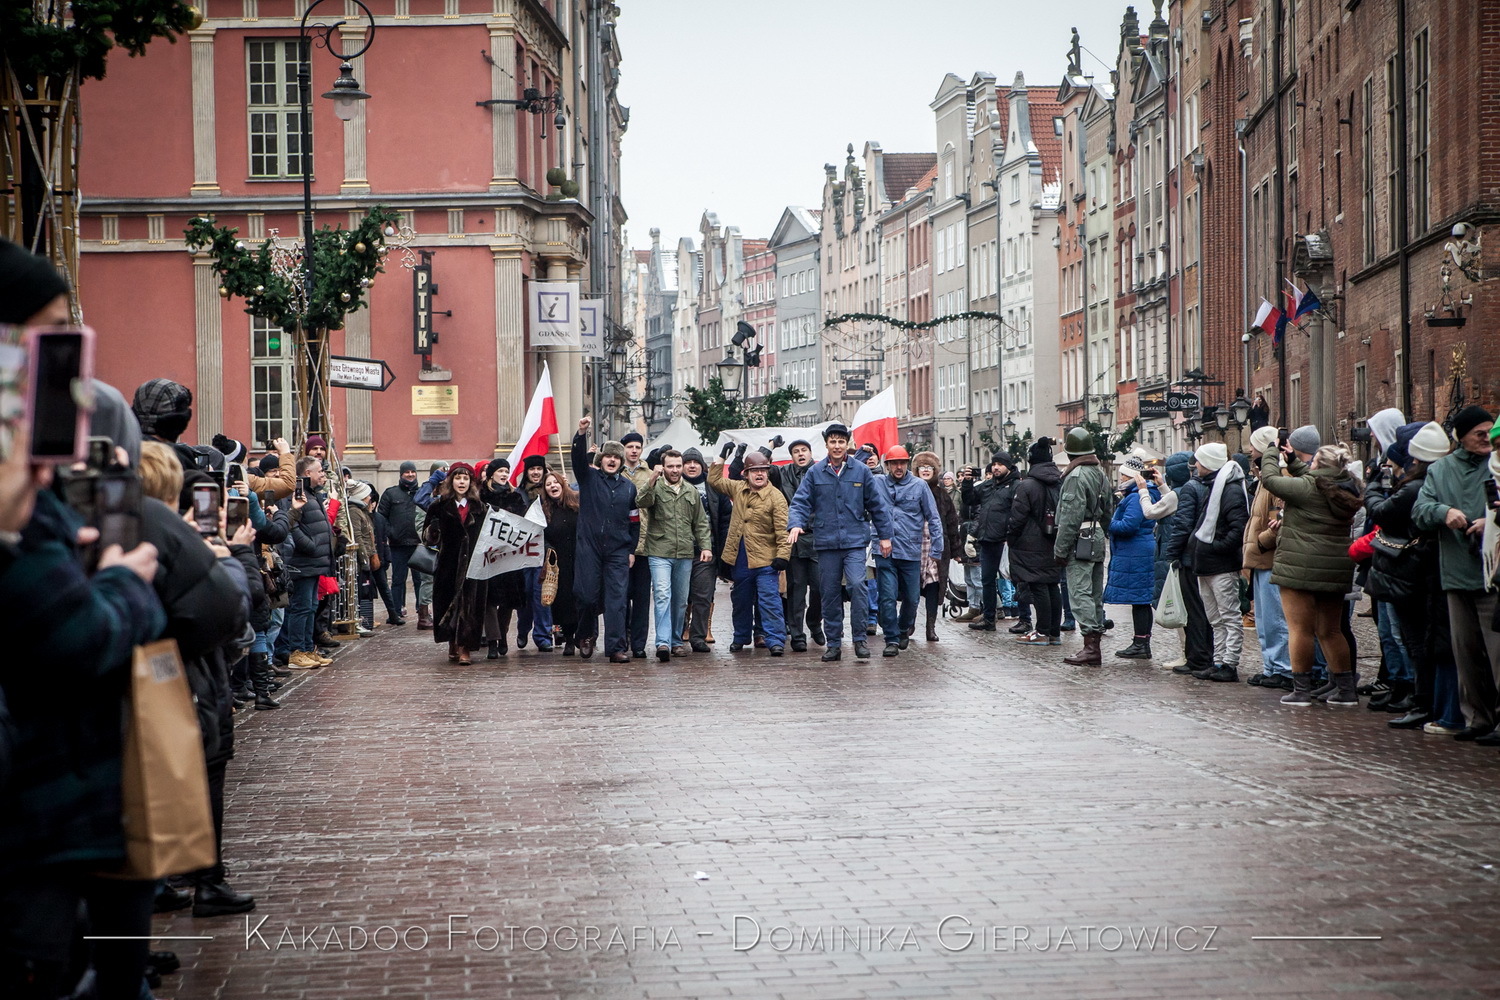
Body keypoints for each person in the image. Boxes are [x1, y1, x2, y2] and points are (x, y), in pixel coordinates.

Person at [1367, 421, 1462, 731]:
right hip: (1423, 569)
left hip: (1413, 570)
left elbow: (1380, 512)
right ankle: (1427, 701)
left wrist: (1372, 487)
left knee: (1416, 640)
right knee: (1420, 639)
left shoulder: (1413, 487)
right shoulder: (1432, 482)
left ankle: (1424, 702)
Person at [1412, 406, 1500, 740]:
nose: (1486, 440)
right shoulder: (1441, 470)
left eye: (1490, 433)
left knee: (1497, 653)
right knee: (1466, 653)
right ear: (1461, 437)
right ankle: (1477, 717)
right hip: (1455, 572)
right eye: (1479, 433)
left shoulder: (1497, 467)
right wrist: (1443, 511)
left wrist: (1489, 523)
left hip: (1491, 573)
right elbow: (1420, 510)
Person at [1260, 426, 1365, 706]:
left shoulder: (1308, 488)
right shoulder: (1345, 487)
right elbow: (1312, 479)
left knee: (1300, 630)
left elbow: (1270, 479)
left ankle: (1301, 691)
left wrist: (1271, 450)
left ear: (1318, 464)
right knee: (1331, 630)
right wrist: (1293, 459)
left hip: (1301, 567)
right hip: (1335, 568)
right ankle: (1346, 691)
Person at [788, 422, 894, 661]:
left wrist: (885, 536)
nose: (837, 446)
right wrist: (796, 523)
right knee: (829, 592)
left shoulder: (861, 471)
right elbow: (801, 502)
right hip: (826, 543)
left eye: (841, 442)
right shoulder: (815, 472)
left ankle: (859, 640)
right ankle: (834, 643)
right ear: (826, 445)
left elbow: (877, 506)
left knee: (857, 585)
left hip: (855, 540)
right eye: (832, 442)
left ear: (847, 444)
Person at [572, 417, 640, 662]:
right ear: (601, 460)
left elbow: (635, 521)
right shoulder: (588, 479)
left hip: (618, 551)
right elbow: (578, 459)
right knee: (588, 596)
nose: (612, 460)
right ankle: (586, 634)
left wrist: (631, 549)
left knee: (617, 601)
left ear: (621, 462)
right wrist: (582, 433)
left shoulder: (629, 488)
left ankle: (616, 648)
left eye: (616, 458)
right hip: (589, 547)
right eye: (608, 457)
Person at [710, 449, 790, 655]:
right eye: (754, 471)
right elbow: (714, 480)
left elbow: (783, 530)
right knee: (741, 600)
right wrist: (722, 457)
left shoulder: (776, 497)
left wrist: (783, 555)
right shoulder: (738, 488)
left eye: (763, 470)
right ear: (746, 474)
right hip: (740, 557)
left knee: (769, 600)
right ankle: (741, 637)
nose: (759, 474)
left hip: (766, 559)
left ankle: (775, 640)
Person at [635, 449, 711, 661]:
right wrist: (651, 479)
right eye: (671, 466)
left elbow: (701, 523)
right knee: (662, 595)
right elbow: (640, 501)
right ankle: (662, 643)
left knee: (679, 600)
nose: (675, 470)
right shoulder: (656, 487)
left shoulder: (690, 490)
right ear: (663, 467)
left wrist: (706, 547)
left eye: (678, 466)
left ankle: (676, 641)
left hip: (685, 552)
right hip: (659, 551)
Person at [1183, 443, 1250, 682]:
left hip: (1220, 564)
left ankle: (1229, 664)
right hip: (1206, 564)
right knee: (1215, 618)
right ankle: (1218, 661)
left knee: (1229, 616)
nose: (1195, 466)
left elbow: (1238, 527)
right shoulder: (1214, 486)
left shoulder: (1229, 490)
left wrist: (1215, 548)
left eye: (1199, 462)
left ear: (1209, 463)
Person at [870, 446, 943, 656]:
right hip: (884, 550)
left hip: (911, 550)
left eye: (902, 462)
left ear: (907, 463)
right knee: (887, 596)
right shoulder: (878, 483)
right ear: (888, 465)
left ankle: (903, 629)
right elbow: (858, 473)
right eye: (894, 463)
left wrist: (937, 549)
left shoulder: (919, 486)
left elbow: (934, 517)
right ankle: (891, 639)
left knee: (912, 598)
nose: (899, 467)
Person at [1053, 427, 1112, 666]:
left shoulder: (1076, 477)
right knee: (1095, 593)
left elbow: (1070, 517)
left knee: (1079, 593)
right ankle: (1093, 645)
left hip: (1080, 538)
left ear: (1069, 453)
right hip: (1096, 535)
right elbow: (1108, 509)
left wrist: (1060, 549)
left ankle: (1091, 647)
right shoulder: (1100, 473)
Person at [1242, 425, 1295, 690]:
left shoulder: (1278, 476)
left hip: (1270, 557)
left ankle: (1283, 668)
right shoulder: (1263, 477)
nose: (1250, 450)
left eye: (1253, 445)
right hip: (1260, 558)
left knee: (1275, 618)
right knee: (1263, 619)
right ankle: (1271, 666)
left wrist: (1262, 542)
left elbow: (1279, 515)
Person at [424, 461, 486, 664]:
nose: (462, 482)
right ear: (451, 481)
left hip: (473, 565)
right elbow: (427, 538)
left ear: (471, 482)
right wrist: (433, 530)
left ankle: (465, 647)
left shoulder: (480, 507)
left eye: (465, 478)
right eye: (458, 478)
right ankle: (452, 640)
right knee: (449, 603)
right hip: (448, 564)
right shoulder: (439, 506)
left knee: (470, 607)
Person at [1160, 450, 1215, 675]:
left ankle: (1198, 658)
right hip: (1204, 554)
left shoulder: (1191, 489)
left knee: (1194, 610)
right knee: (1206, 609)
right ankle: (1205, 656)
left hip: (1188, 557)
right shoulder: (1212, 486)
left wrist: (1172, 554)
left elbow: (1182, 526)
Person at [1103, 455, 1161, 660]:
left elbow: (1129, 525)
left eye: (1123, 475)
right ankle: (1140, 641)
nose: (1120, 480)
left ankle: (1141, 643)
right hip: (1138, 551)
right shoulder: (1136, 495)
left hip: (1137, 552)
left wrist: (1108, 524)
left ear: (1131, 477)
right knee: (1140, 600)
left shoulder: (1136, 497)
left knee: (1141, 600)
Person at [279, 456, 334, 669]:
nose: (323, 474)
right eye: (319, 470)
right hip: (303, 561)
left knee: (311, 606)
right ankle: (296, 652)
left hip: (314, 561)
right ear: (307, 474)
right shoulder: (298, 495)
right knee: (301, 608)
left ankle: (307, 648)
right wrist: (308, 545)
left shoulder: (313, 494)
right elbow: (291, 524)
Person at [1009, 438, 1065, 646]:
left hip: (1030, 543)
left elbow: (1017, 517)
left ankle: (1041, 631)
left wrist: (1011, 538)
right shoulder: (1059, 482)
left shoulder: (1028, 486)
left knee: (1039, 586)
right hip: (1054, 541)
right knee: (1052, 585)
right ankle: (1054, 632)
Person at [961, 450, 1020, 632]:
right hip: (988, 540)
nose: (995, 467)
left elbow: (1018, 512)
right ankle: (989, 618)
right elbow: (969, 499)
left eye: (1000, 464)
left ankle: (1024, 617)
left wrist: (1010, 533)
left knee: (1017, 579)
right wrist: (967, 482)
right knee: (987, 580)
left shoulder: (1016, 486)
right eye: (994, 464)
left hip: (1007, 541)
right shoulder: (988, 485)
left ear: (1008, 467)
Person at [478, 458, 530, 659]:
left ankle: (502, 635)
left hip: (509, 556)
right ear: (491, 474)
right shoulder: (480, 495)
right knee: (489, 601)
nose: (504, 474)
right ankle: (492, 640)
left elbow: (522, 522)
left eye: (506, 471)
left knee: (508, 601)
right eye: (500, 470)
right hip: (487, 555)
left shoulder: (515, 496)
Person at [681, 447, 729, 651]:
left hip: (706, 549)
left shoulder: (713, 487)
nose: (692, 466)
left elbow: (726, 517)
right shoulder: (673, 484)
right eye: (688, 462)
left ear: (702, 466)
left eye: (696, 462)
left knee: (703, 594)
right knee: (679, 595)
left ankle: (698, 636)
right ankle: (677, 634)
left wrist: (723, 548)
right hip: (679, 550)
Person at [778, 438, 824, 651]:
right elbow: (759, 469)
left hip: (818, 538)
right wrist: (769, 447)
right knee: (796, 590)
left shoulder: (821, 470)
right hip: (795, 539)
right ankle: (797, 634)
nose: (800, 454)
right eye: (796, 451)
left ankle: (814, 623)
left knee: (819, 588)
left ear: (810, 452)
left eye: (804, 450)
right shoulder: (784, 473)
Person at [913, 451, 961, 642]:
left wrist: (957, 551)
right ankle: (909, 623)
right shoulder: (910, 489)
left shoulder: (942, 495)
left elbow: (951, 522)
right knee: (912, 588)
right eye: (922, 467)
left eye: (929, 467)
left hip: (936, 547)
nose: (926, 470)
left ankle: (930, 627)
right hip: (914, 546)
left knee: (934, 586)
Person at [619, 431, 653, 658]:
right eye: (630, 446)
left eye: (637, 447)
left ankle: (639, 643)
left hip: (645, 544)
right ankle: (622, 638)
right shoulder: (613, 472)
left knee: (641, 598)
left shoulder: (650, 474)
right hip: (620, 545)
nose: (633, 451)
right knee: (620, 597)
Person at [540, 470, 581, 655]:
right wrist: (549, 550)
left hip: (580, 557)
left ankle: (586, 633)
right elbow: (540, 535)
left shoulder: (576, 503)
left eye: (555, 483)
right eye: (548, 484)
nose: (552, 487)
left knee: (582, 597)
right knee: (564, 601)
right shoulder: (544, 510)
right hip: (558, 561)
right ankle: (569, 639)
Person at [378, 460, 422, 626]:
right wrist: (391, 533)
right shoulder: (391, 494)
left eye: (413, 472)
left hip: (418, 544)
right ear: (401, 474)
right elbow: (382, 517)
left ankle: (421, 610)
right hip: (398, 545)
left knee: (420, 580)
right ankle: (395, 611)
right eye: (407, 472)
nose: (410, 475)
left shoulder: (421, 493)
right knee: (398, 580)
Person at [518, 454, 554, 649]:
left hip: (545, 551)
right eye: (532, 469)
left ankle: (543, 636)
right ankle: (523, 629)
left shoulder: (550, 492)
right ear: (526, 472)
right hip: (522, 552)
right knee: (526, 593)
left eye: (539, 469)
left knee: (542, 594)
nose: (535, 472)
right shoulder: (519, 494)